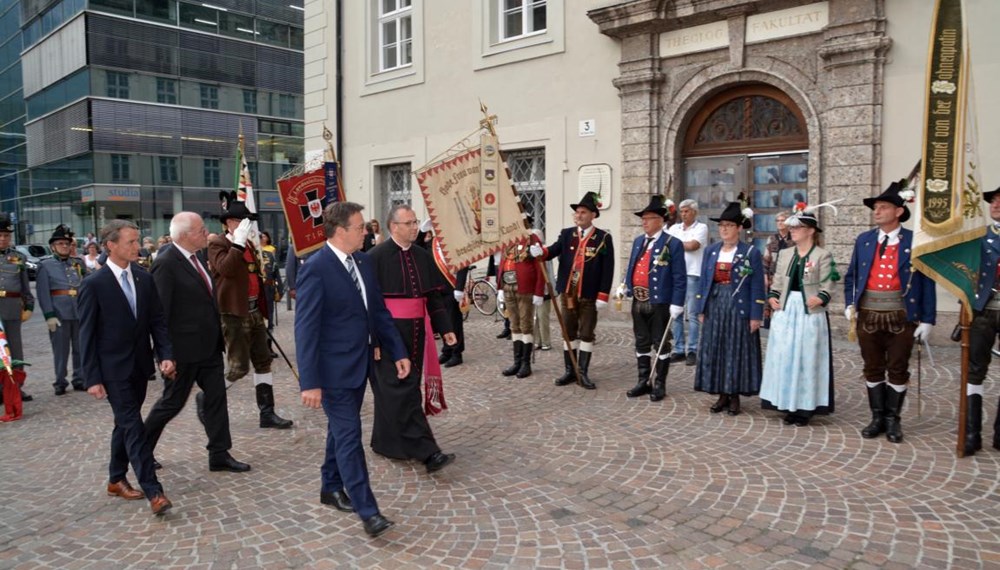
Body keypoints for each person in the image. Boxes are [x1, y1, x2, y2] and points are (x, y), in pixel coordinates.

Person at [295, 202, 410, 537]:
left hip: (360, 366)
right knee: (349, 436)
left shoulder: (362, 260)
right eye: (360, 227)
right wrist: (310, 382)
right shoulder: (315, 268)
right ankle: (368, 510)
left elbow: (378, 312)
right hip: (331, 373)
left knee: (340, 431)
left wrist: (397, 350)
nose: (366, 232)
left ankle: (330, 486)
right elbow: (305, 329)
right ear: (341, 230)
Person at [78, 220, 175, 515]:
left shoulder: (144, 278)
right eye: (131, 242)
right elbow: (86, 335)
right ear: (111, 245)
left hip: (140, 367)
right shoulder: (93, 284)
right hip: (112, 370)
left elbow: (156, 321)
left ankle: (115, 478)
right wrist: (92, 377)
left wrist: (165, 354)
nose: (137, 246)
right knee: (133, 425)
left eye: (137, 241)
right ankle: (153, 490)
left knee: (124, 422)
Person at [144, 212, 251, 473]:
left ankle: (219, 453)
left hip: (209, 346)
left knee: (216, 399)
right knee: (171, 403)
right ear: (184, 235)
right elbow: (160, 313)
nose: (207, 233)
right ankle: (141, 450)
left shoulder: (199, 257)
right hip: (183, 350)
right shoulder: (167, 262)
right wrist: (164, 355)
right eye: (201, 230)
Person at [844, 181, 936, 444]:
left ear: (898, 211)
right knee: (872, 367)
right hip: (868, 314)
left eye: (883, 207)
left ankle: (893, 419)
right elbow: (852, 276)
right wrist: (850, 303)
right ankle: (877, 417)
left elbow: (927, 281)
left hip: (901, 315)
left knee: (897, 367)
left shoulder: (915, 240)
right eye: (876, 207)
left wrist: (928, 319)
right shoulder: (864, 240)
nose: (877, 211)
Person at [368, 205, 458, 473]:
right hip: (389, 335)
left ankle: (387, 443)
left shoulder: (422, 255)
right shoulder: (375, 257)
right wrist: (374, 341)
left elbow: (432, 296)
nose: (414, 227)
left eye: (415, 222)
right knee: (401, 392)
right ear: (393, 227)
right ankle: (428, 452)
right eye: (408, 223)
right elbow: (370, 306)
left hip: (418, 333)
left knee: (400, 392)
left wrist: (446, 327)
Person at [208, 191, 293, 429]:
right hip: (234, 312)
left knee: (263, 361)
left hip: (254, 309)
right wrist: (236, 243)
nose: (247, 225)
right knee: (238, 367)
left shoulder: (247, 243)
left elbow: (254, 272)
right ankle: (208, 398)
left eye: (247, 221)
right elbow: (226, 268)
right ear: (229, 222)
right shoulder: (218, 243)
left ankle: (267, 413)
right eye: (241, 220)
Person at [760, 205, 838, 426]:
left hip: (808, 312)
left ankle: (805, 406)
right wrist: (772, 297)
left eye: (797, 227)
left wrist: (821, 296)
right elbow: (778, 281)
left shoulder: (822, 255)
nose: (791, 230)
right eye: (791, 227)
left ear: (810, 230)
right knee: (784, 356)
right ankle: (785, 401)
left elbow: (829, 281)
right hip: (785, 311)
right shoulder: (785, 254)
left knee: (807, 357)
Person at [530, 191, 615, 390]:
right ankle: (570, 370)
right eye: (577, 212)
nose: (579, 216)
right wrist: (541, 252)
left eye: (583, 212)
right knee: (568, 333)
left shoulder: (603, 238)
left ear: (593, 215)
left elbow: (607, 268)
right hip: (568, 292)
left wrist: (603, 294)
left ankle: (582, 372)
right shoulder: (567, 234)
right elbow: (553, 250)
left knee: (586, 333)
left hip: (589, 294)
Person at [693, 202, 765, 416]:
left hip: (737, 305)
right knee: (717, 348)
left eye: (729, 225)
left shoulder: (750, 252)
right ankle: (721, 394)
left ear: (739, 228)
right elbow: (705, 281)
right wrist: (701, 307)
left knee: (735, 349)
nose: (723, 229)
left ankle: (734, 395)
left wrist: (756, 315)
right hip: (715, 304)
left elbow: (757, 285)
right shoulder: (711, 251)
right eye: (721, 225)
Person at [622, 196, 686, 401]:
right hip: (638, 300)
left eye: (649, 218)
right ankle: (643, 381)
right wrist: (626, 284)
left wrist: (677, 302)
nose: (644, 221)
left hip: (660, 302)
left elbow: (679, 277)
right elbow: (633, 265)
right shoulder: (639, 241)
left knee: (660, 343)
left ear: (661, 220)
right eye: (643, 218)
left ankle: (659, 383)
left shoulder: (672, 243)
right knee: (641, 341)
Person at [36, 224, 88, 395]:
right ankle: (60, 380)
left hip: (78, 311)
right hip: (59, 313)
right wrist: (49, 315)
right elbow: (43, 292)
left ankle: (79, 378)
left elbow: (87, 286)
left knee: (80, 347)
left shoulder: (78, 263)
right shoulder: (46, 265)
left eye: (67, 244)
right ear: (53, 246)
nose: (64, 247)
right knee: (61, 349)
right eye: (60, 244)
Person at [967, 186, 1000, 455]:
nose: (996, 205)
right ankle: (971, 433)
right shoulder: (980, 236)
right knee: (975, 370)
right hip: (984, 309)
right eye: (994, 201)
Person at [418, 220, 468, 368]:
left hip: (452, 288)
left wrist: (459, 287)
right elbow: (416, 245)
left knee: (454, 322)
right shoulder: (430, 244)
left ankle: (456, 353)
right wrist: (422, 230)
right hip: (437, 290)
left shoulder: (454, 243)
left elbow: (463, 265)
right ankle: (447, 350)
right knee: (441, 322)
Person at [667, 199, 709, 366]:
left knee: (692, 314)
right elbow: (666, 246)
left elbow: (693, 245)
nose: (683, 214)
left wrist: (674, 244)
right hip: (675, 274)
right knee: (675, 313)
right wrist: (676, 244)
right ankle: (678, 348)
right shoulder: (674, 228)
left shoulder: (701, 228)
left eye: (687, 211)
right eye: (681, 211)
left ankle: (692, 349)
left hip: (693, 273)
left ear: (694, 212)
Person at [0, 214, 34, 411]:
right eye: (0, 235)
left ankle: (16, 387)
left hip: (12, 308)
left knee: (15, 351)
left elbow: (25, 287)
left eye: (6, 235)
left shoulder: (18, 258)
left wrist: (28, 306)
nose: (3, 239)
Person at [259, 231, 284, 358]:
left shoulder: (269, 254)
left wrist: (280, 289)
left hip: (267, 290)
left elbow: (276, 272)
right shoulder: (247, 254)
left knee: (268, 318)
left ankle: (268, 347)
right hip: (253, 293)